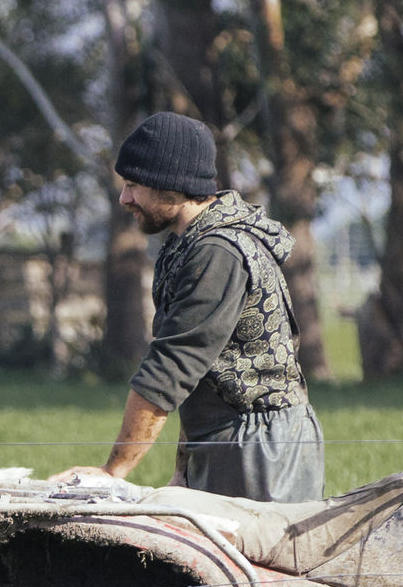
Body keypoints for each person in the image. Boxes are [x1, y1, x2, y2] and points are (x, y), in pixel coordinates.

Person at [85, 112, 325, 506]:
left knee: (254, 568)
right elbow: (200, 375)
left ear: (171, 185)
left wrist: (113, 472)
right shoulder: (186, 244)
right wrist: (183, 470)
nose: (124, 198)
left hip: (260, 451)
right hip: (221, 441)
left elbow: (171, 366)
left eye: (133, 186)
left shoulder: (218, 252)